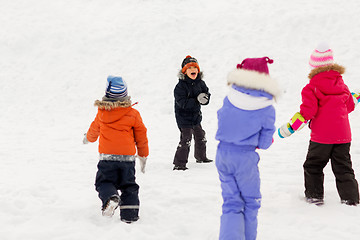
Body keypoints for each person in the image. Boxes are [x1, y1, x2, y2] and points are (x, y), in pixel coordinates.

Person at [278, 42, 360, 206]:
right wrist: (355, 97)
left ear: (314, 67)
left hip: (321, 138)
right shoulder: (341, 85)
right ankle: (351, 199)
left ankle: (315, 196)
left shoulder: (311, 88)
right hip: (343, 137)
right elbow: (349, 105)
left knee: (313, 165)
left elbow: (307, 112)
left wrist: (290, 127)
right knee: (344, 168)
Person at [215, 57, 280, 240]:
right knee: (251, 203)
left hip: (222, 154)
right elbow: (265, 143)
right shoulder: (266, 107)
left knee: (231, 202)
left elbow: (223, 120)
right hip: (245, 159)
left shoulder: (230, 98)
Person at [83, 76, 149, 223]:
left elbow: (94, 131)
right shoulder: (133, 114)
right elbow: (141, 136)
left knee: (104, 182)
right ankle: (130, 215)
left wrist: (88, 138)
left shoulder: (102, 113)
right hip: (127, 159)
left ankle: (110, 198)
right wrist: (143, 155)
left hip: (107, 158)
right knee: (128, 185)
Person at [173, 55, 212, 170]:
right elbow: (182, 102)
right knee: (186, 139)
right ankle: (179, 163)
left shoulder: (201, 83)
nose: (193, 70)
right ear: (184, 71)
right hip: (183, 118)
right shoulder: (180, 87)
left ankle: (201, 157)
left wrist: (205, 98)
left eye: (195, 67)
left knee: (200, 136)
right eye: (189, 68)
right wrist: (196, 100)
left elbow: (206, 94)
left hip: (196, 117)